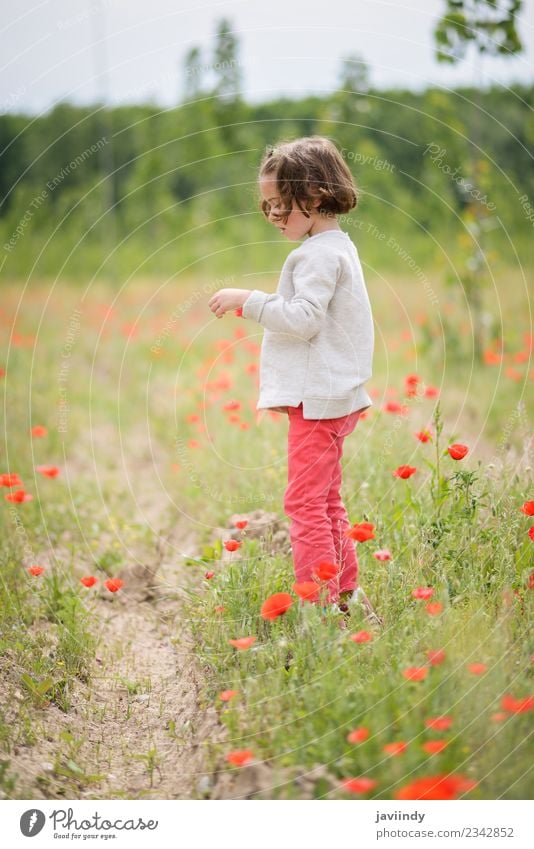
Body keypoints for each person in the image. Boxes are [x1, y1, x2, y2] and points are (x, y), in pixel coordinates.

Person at [208, 136, 381, 625]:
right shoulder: (337, 246)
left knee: (303, 502)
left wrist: (249, 300)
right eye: (267, 207)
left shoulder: (318, 256)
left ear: (315, 196)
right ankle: (345, 593)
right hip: (334, 396)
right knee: (326, 499)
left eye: (280, 205)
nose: (273, 215)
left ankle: (320, 607)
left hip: (319, 400)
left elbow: (304, 319)